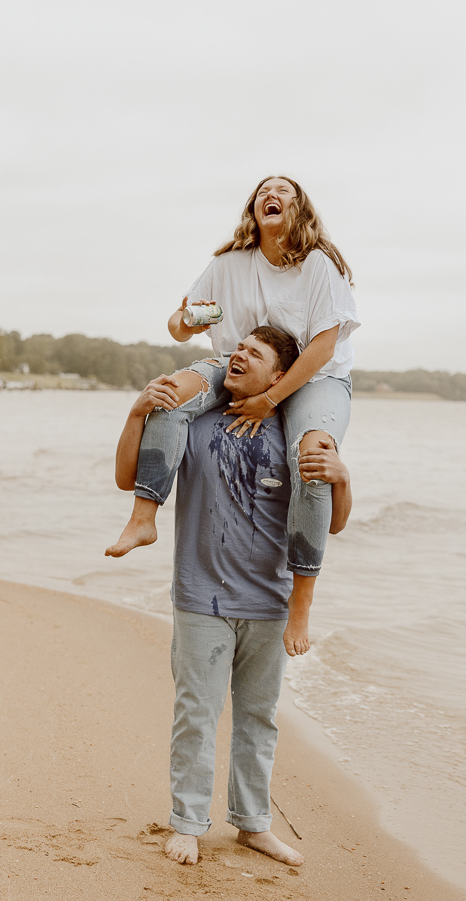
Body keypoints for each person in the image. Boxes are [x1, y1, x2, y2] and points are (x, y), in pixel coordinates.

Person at [107, 327, 352, 865]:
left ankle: (253, 824)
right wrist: (135, 414)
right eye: (238, 349)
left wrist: (343, 478)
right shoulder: (193, 422)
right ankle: (188, 823)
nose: (238, 356)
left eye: (255, 354)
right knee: (196, 713)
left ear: (280, 377)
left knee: (258, 718)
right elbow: (129, 478)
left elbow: (330, 524)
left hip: (270, 604)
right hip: (201, 598)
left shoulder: (297, 432)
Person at [108, 176, 359, 587]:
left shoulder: (316, 264)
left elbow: (323, 349)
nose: (271, 196)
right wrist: (188, 320)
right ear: (253, 208)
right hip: (237, 362)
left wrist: (272, 399)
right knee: (169, 395)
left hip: (317, 377)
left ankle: (301, 599)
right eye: (263, 192)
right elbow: (178, 324)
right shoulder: (228, 264)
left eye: (283, 192)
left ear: (299, 209)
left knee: (312, 458)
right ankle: (142, 519)